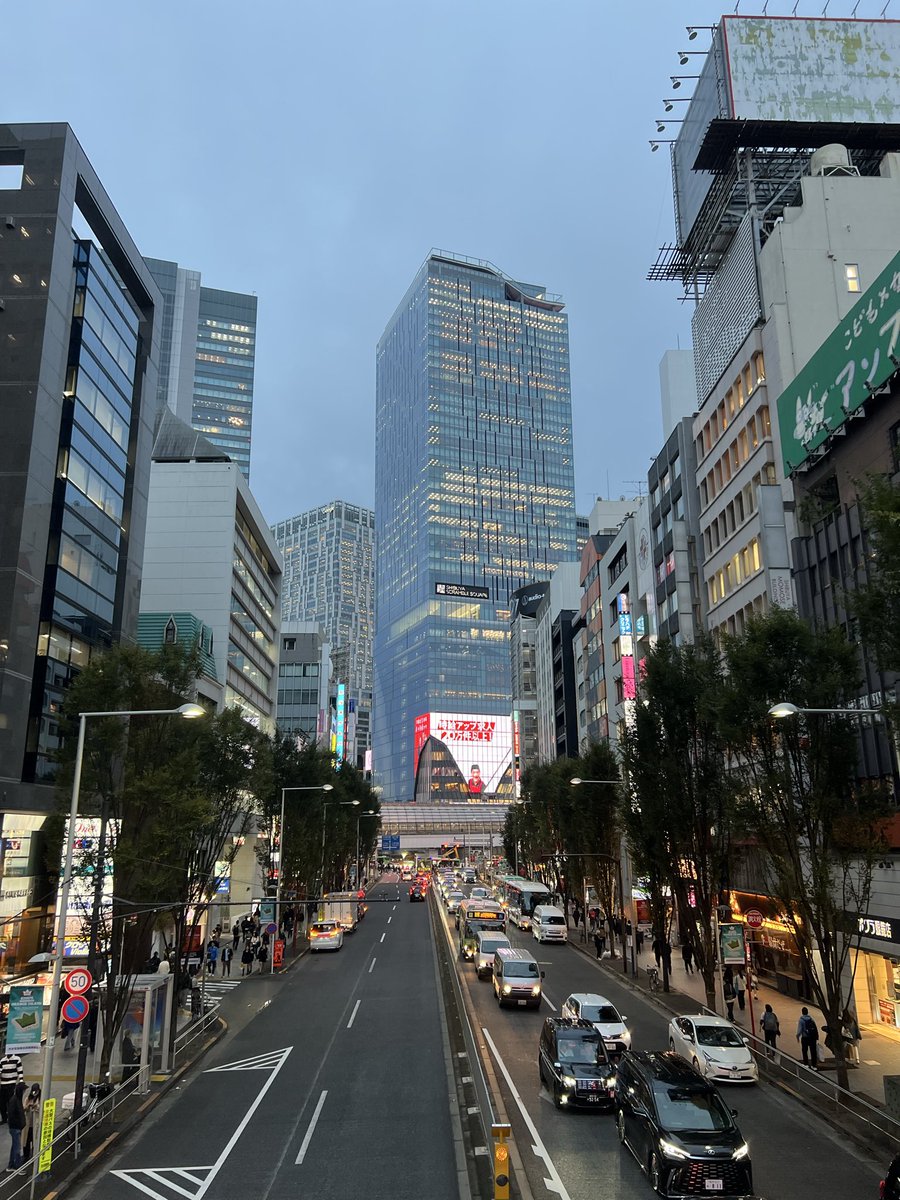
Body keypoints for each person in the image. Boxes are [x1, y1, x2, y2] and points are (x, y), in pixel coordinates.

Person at [0, 1051, 24, 1124]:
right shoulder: (2, 1060)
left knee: (11, 1102)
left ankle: (12, 1118)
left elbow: (20, 1070)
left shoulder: (17, 1059)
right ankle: (4, 1118)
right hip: (3, 1085)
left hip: (12, 1084)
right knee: (2, 1103)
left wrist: (21, 1080)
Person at [6, 1081, 26, 1171]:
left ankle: (11, 1165)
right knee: (17, 1148)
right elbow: (11, 1115)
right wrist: (19, 1124)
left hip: (17, 1127)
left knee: (14, 1147)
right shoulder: (14, 1101)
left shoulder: (17, 1099)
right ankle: (17, 1167)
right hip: (15, 1128)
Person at [22, 1085, 39, 1161]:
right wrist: (27, 1107)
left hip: (36, 1123)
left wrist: (36, 1107)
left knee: (35, 1140)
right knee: (26, 1141)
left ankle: (35, 1155)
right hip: (28, 1124)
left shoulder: (40, 1098)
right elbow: (24, 1108)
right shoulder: (27, 1099)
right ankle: (26, 1156)